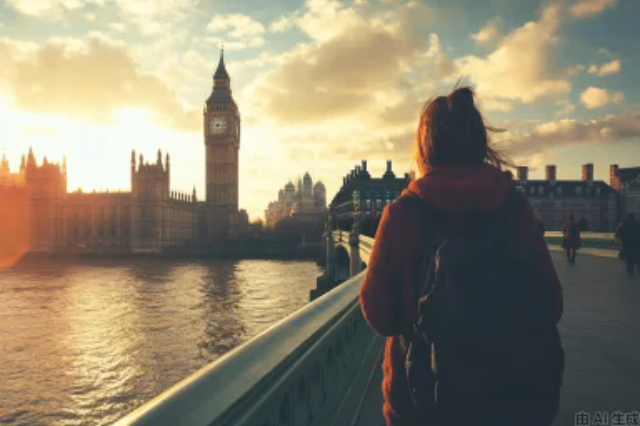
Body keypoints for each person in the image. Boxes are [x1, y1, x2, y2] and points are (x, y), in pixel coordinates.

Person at [360, 87, 564, 426]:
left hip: (422, 401)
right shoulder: (514, 207)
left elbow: (380, 316)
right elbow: (551, 305)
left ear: (425, 147)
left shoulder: (403, 213)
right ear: (479, 142)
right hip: (513, 398)